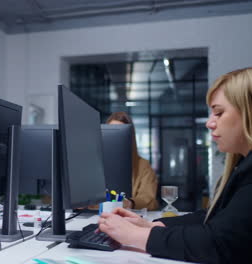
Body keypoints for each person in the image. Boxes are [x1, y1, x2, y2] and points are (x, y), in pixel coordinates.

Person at [98, 67, 252, 263]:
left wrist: (134, 236)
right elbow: (213, 218)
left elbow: (218, 242)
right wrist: (148, 225)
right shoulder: (242, 166)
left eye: (219, 113)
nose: (209, 123)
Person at [106, 112, 159, 211]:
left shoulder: (143, 166)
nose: (115, 137)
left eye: (120, 133)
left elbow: (149, 200)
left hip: (128, 218)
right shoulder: (96, 164)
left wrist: (130, 203)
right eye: (111, 132)